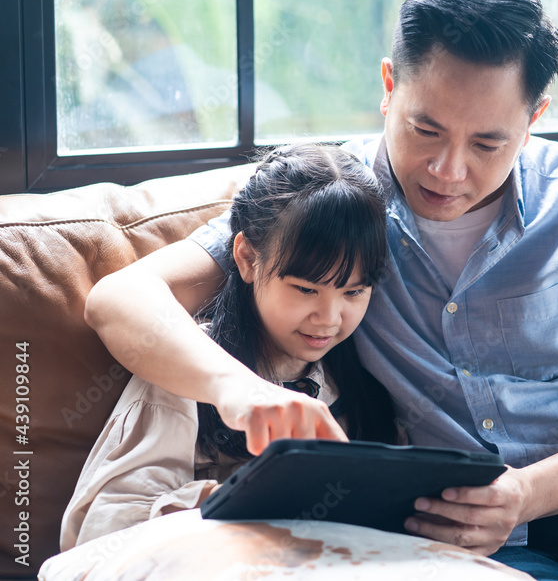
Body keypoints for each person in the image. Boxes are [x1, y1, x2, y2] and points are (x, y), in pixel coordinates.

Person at [84, 0, 558, 579]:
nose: (449, 171)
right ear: (389, 87)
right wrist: (237, 390)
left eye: (488, 141)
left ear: (535, 116)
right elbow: (121, 298)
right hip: (468, 544)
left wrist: (527, 492)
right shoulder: (337, 202)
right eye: (425, 129)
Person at [63, 144, 398, 550]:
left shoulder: (359, 387)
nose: (329, 318)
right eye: (306, 289)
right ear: (246, 258)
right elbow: (105, 528)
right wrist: (253, 502)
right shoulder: (186, 366)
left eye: (354, 292)